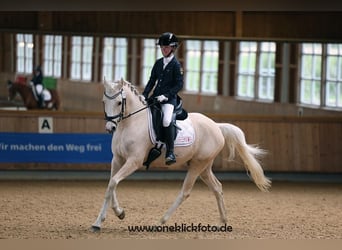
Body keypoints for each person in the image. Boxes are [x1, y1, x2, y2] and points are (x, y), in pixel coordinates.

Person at [142, 32, 184, 165]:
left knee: (166, 120)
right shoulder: (158, 63)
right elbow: (151, 80)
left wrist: (166, 96)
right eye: (162, 47)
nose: (163, 49)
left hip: (169, 99)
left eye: (166, 47)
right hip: (155, 98)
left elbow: (179, 84)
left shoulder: (176, 65)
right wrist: (144, 94)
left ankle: (170, 152)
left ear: (172, 48)